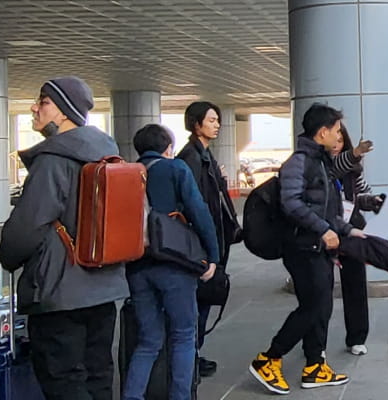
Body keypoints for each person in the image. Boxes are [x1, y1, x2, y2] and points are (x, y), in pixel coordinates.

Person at [0, 76, 130, 400]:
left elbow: (26, 226)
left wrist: (7, 255)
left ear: (64, 113)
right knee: (98, 375)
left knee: (63, 380)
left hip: (59, 292)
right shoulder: (107, 154)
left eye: (43, 102)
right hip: (104, 288)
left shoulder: (54, 161)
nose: (34, 107)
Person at [250, 103, 360, 395]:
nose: (339, 136)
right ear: (322, 132)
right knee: (313, 307)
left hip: (317, 248)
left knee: (321, 307)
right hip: (301, 247)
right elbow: (291, 203)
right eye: (336, 131)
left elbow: (325, 209)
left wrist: (347, 229)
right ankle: (269, 358)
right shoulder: (299, 161)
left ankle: (315, 365)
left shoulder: (320, 162)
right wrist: (323, 230)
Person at [124, 124, 221, 400]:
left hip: (137, 266)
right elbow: (199, 211)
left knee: (148, 340)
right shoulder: (175, 168)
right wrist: (212, 256)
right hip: (174, 264)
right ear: (168, 148)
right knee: (183, 335)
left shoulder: (127, 175)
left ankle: (132, 396)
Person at [173, 102, 240, 377]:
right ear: (196, 124)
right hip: (199, 243)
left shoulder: (204, 155)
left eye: (217, 120)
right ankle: (190, 359)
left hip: (210, 240)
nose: (216, 124)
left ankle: (193, 355)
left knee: (203, 301)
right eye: (211, 120)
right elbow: (194, 205)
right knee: (198, 302)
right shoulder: (190, 157)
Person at [330, 128, 381, 356]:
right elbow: (335, 166)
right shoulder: (319, 166)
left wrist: (374, 201)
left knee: (356, 285)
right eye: (334, 138)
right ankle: (314, 343)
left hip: (351, 231)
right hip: (323, 232)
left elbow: (360, 196)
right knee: (319, 292)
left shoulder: (352, 170)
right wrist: (355, 153)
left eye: (341, 141)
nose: (336, 144)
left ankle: (357, 338)